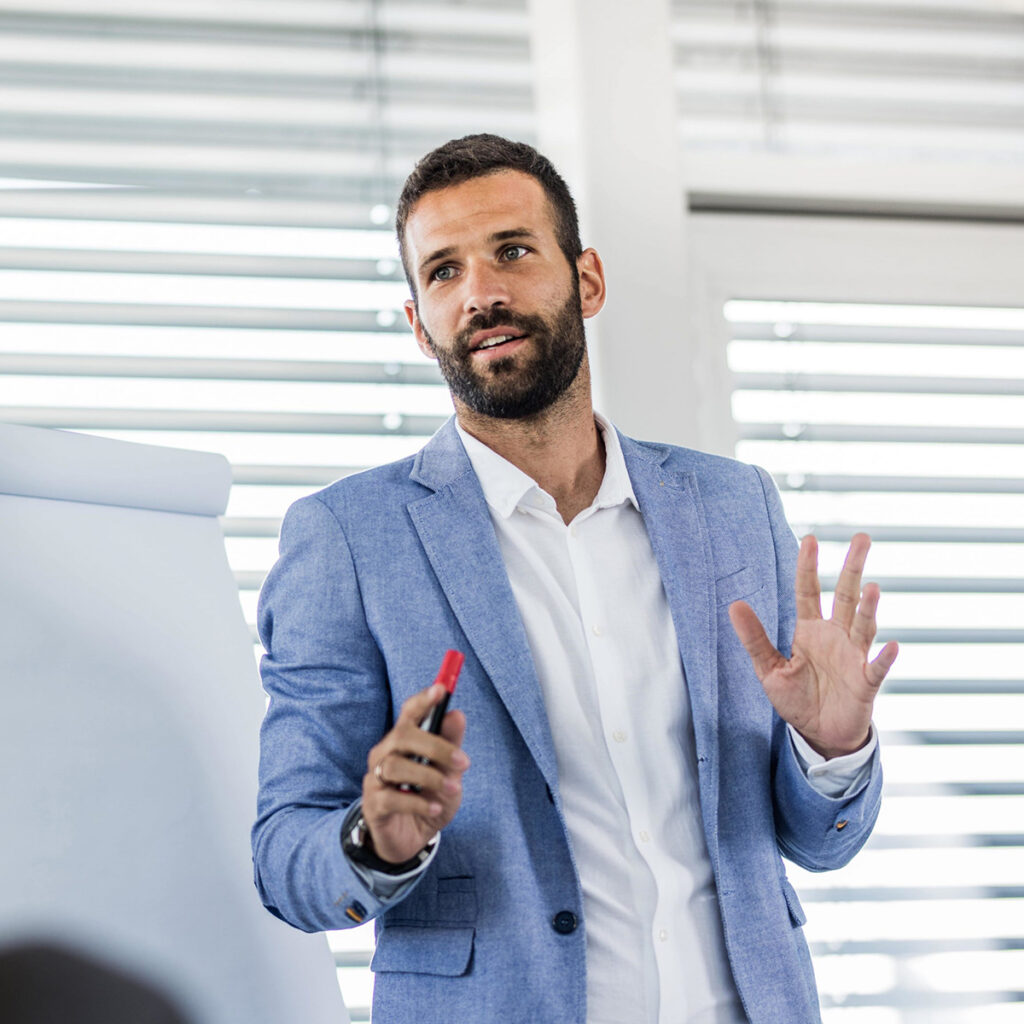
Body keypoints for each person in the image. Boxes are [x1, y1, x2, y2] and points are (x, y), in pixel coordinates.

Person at [252, 134, 898, 1024]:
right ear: (417, 322)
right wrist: (380, 840)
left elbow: (814, 845)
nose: (481, 292)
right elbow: (285, 856)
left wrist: (830, 755)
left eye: (512, 251)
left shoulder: (732, 506)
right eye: (443, 272)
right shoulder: (348, 539)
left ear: (587, 279)